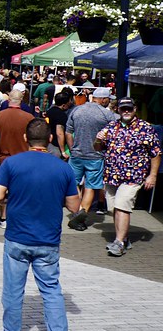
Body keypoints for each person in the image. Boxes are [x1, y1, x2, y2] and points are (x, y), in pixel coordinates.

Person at [0, 119, 79, 331]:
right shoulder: (63, 168)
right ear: (50, 139)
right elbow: (74, 205)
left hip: (18, 237)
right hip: (48, 240)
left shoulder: (12, 164)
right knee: (51, 290)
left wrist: (11, 192)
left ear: (26, 139)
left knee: (13, 290)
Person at [94, 97, 161, 257]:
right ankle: (124, 237)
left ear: (135, 109)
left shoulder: (145, 128)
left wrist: (152, 176)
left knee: (122, 205)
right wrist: (98, 139)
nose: (126, 111)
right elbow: (97, 148)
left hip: (133, 177)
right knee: (114, 209)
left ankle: (119, 242)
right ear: (117, 109)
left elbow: (156, 153)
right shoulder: (111, 127)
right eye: (123, 108)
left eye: (129, 108)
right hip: (112, 176)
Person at [65, 86, 117, 230]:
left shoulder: (76, 110)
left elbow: (68, 132)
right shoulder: (107, 114)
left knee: (74, 183)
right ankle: (83, 211)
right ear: (103, 99)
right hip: (96, 156)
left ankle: (76, 212)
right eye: (108, 99)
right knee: (90, 186)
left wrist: (72, 148)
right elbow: (113, 135)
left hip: (76, 154)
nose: (109, 102)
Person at [0, 89, 35, 229]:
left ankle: (4, 217)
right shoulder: (29, 118)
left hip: (3, 158)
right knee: (21, 188)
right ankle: (20, 216)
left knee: (3, 188)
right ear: (21, 100)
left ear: (8, 99)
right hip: (23, 158)